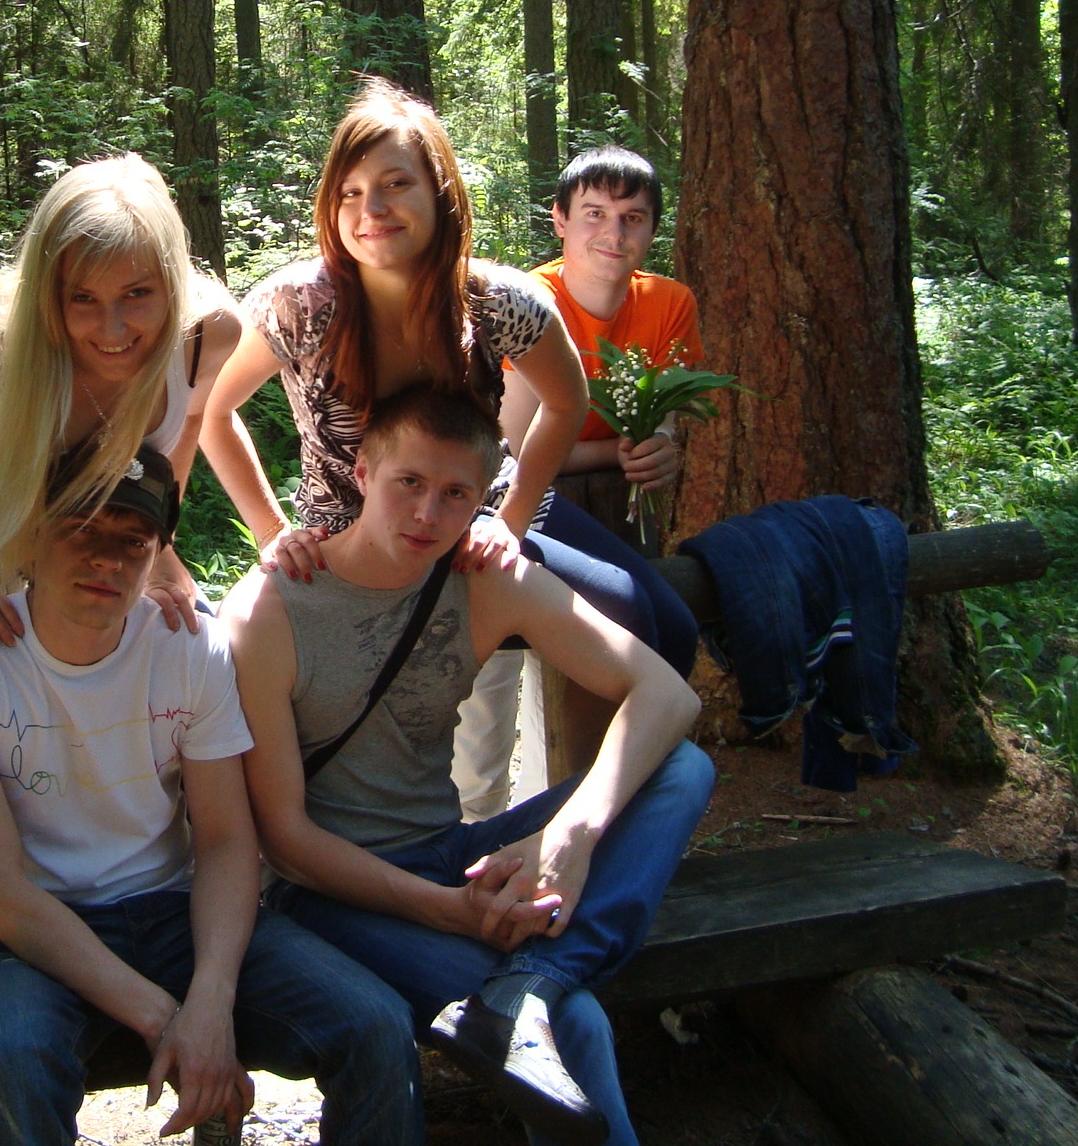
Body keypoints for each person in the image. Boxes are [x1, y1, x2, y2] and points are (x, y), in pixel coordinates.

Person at [221, 385, 713, 1146]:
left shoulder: (485, 576)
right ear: (362, 474)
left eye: (455, 494)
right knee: (577, 1022)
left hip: (452, 852)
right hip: (328, 890)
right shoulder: (274, 607)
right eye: (408, 483)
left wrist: (570, 837)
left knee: (681, 769)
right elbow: (284, 839)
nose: (427, 514)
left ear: (484, 499)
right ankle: (542, 989)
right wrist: (445, 910)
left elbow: (668, 695)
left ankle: (534, 981)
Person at [0, 442, 424, 1146]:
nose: (107, 560)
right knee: (12, 1062)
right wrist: (166, 1018)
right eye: (81, 529)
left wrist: (211, 997)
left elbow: (226, 840)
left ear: (157, 554)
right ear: (29, 535)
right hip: (33, 933)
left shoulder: (188, 647)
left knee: (377, 1025)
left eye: (133, 540)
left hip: (175, 910)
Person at [0, 156, 241, 1062]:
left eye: (137, 296)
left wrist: (161, 548)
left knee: (169, 638)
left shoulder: (206, 334)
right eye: (82, 301)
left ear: (172, 281)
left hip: (58, 492)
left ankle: (162, 901)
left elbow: (174, 442)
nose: (113, 328)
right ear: (47, 293)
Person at [200, 80, 681, 816]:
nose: (372, 208)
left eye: (396, 184)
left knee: (644, 612)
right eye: (351, 192)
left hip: (474, 524)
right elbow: (212, 412)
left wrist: (509, 521)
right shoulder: (300, 304)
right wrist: (273, 532)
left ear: (441, 192)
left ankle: (573, 819)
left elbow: (567, 400)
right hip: (345, 535)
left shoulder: (498, 302)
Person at [457, 147, 705, 819]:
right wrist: (613, 455)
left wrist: (660, 450)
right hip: (501, 509)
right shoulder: (526, 301)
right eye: (594, 214)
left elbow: (666, 419)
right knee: (490, 679)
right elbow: (510, 449)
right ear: (560, 220)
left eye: (633, 218)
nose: (613, 234)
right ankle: (471, 825)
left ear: (653, 229)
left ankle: (555, 820)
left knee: (595, 669)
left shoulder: (669, 304)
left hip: (613, 517)